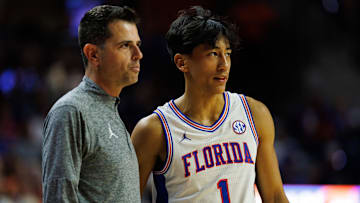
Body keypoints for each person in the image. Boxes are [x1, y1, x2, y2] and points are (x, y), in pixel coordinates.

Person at [131, 6, 289, 203]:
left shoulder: (254, 114)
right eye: (213, 54)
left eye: (228, 54)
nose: (224, 64)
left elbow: (274, 196)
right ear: (182, 63)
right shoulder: (154, 130)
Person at [42, 5, 143, 202]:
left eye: (138, 44)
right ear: (93, 55)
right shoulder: (70, 111)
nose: (138, 54)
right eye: (125, 45)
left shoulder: (110, 108)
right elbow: (58, 197)